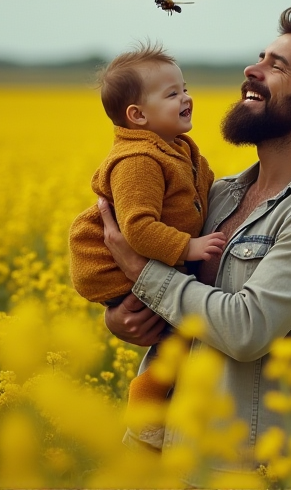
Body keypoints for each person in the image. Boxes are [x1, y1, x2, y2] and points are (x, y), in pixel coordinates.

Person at [100, 5, 291, 476]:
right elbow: (176, 305)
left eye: (277, 66)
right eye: (260, 57)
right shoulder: (218, 194)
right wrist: (120, 317)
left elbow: (245, 330)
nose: (253, 70)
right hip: (163, 451)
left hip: (244, 468)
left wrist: (141, 272)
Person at [68, 42, 226, 446]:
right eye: (172, 94)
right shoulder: (137, 160)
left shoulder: (177, 149)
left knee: (186, 332)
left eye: (185, 88)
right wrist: (188, 249)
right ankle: (147, 407)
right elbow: (137, 229)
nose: (186, 97)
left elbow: (199, 191)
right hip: (111, 269)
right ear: (137, 116)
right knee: (179, 338)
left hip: (151, 265)